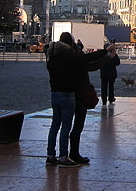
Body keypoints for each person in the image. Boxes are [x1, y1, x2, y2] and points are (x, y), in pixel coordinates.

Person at [45, 32, 114, 167]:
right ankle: (64, 156)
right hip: (68, 94)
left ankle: (50, 155)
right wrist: (106, 52)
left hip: (55, 94)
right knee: (67, 126)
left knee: (54, 125)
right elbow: (89, 61)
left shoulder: (52, 58)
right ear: (70, 44)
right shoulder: (70, 57)